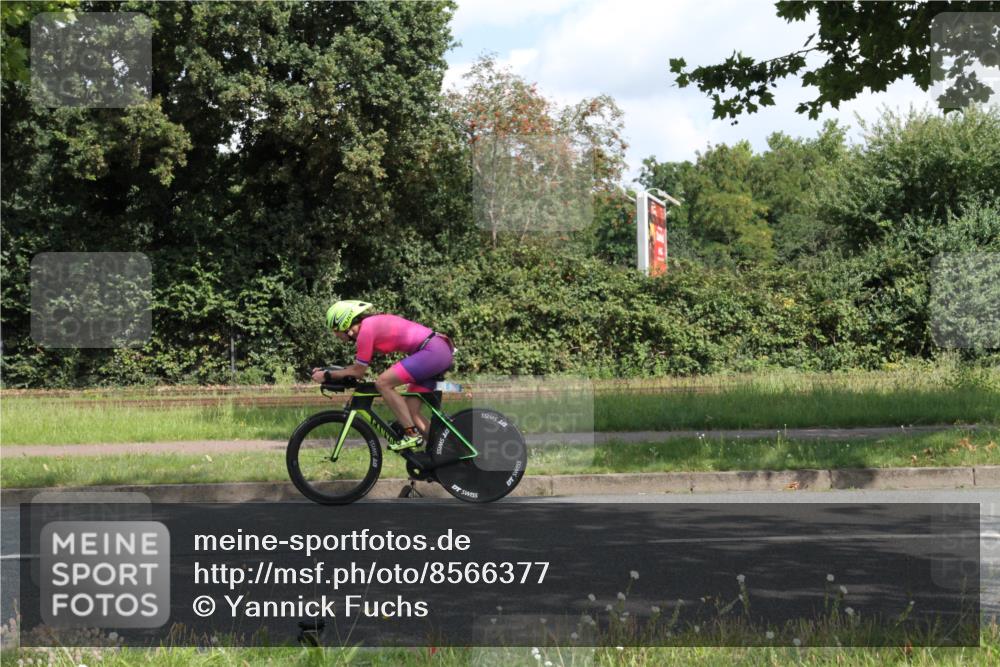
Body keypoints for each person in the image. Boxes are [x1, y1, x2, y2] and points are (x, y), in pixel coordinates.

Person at [311, 300, 454, 450]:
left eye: (335, 330)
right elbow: (357, 367)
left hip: (432, 351)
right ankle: (446, 453)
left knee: (383, 383)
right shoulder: (368, 327)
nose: (335, 335)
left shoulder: (365, 331)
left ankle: (412, 435)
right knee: (410, 412)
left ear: (344, 323)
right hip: (436, 349)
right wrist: (328, 370)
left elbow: (358, 372)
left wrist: (327, 375)